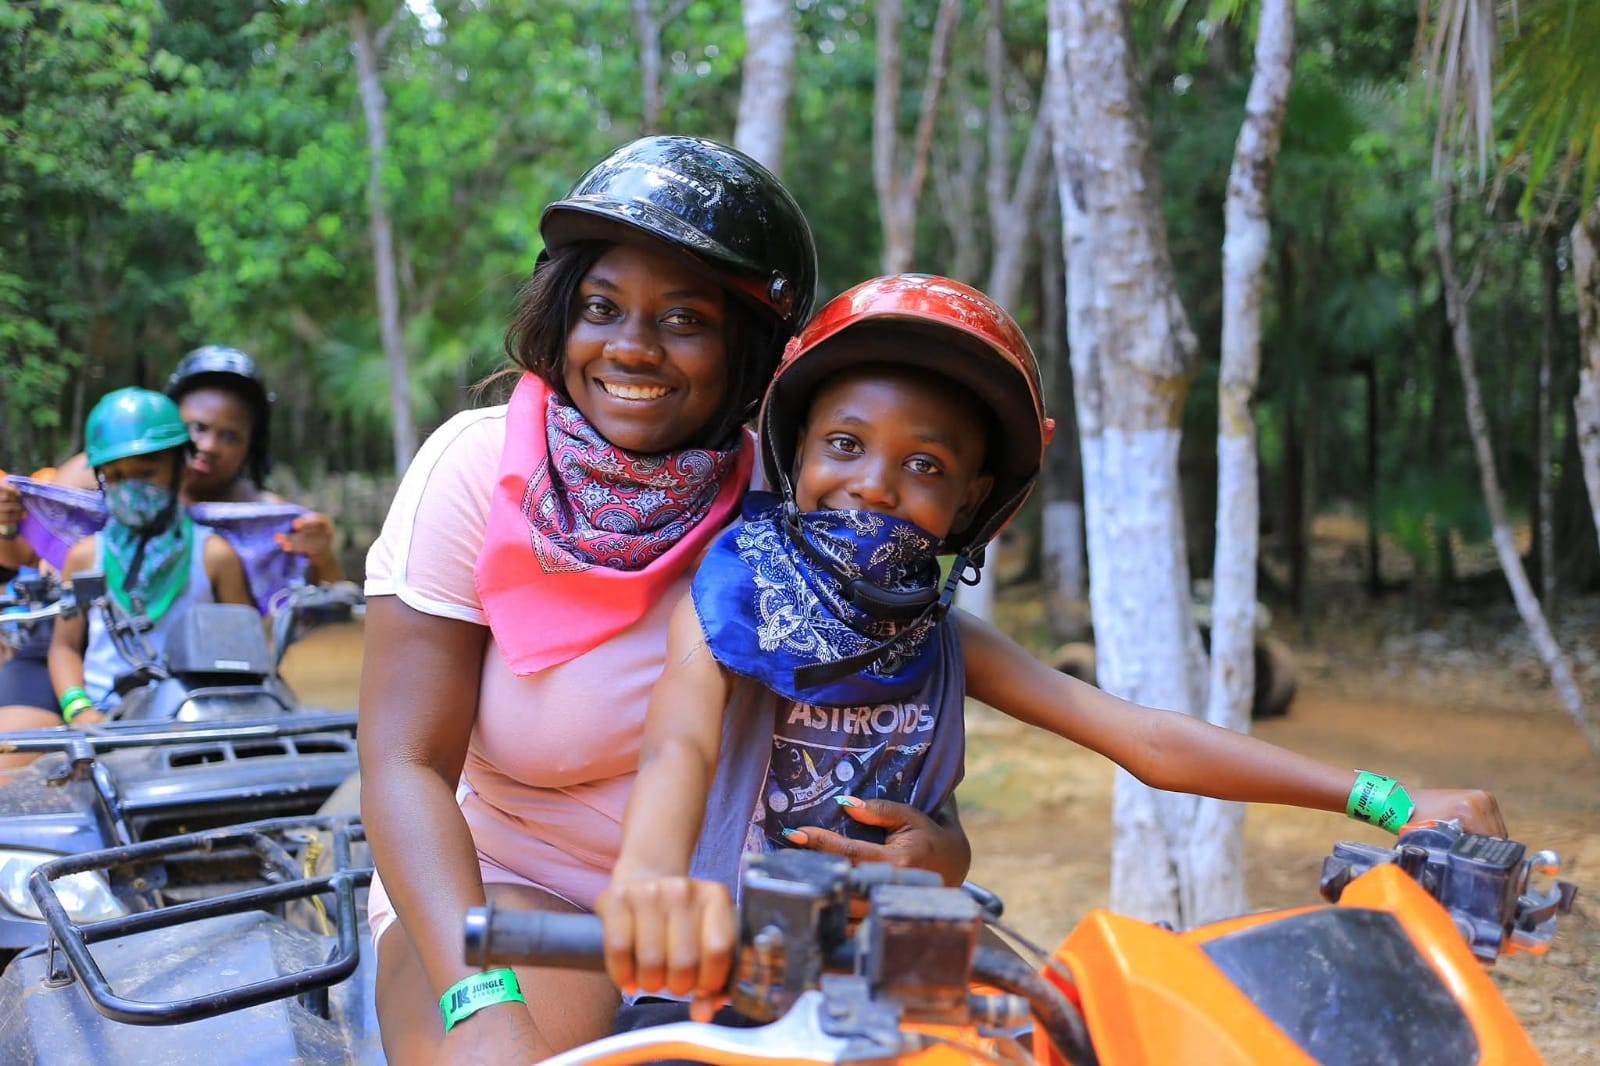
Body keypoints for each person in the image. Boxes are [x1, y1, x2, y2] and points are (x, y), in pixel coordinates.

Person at [593, 274, 1507, 1004]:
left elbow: (1146, 741)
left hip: (909, 986)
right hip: (715, 978)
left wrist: (1387, 801)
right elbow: (678, 743)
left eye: (924, 465)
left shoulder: (948, 644)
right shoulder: (729, 602)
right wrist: (648, 882)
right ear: (796, 458)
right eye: (845, 444)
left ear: (971, 503)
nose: (873, 485)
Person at [356, 136, 972, 1066]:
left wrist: (941, 848)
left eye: (683, 320)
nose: (631, 347)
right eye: (602, 309)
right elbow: (404, 763)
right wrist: (479, 995)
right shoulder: (478, 469)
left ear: (747, 351)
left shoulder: (800, 493)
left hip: (740, 920)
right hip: (504, 891)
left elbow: (902, 708)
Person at [0, 346, 340, 713]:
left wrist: (321, 554)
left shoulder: (248, 527)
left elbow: (266, 634)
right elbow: (21, 557)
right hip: (84, 679)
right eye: (198, 428)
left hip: (191, 694)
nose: (207, 446)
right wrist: (7, 520)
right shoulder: (88, 517)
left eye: (229, 436)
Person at [0, 389, 253, 763]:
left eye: (146, 471)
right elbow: (65, 646)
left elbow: (244, 649)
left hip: (190, 718)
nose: (131, 487)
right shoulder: (86, 556)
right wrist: (79, 709)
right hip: (104, 720)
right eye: (116, 477)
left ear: (179, 466)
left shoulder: (214, 555)